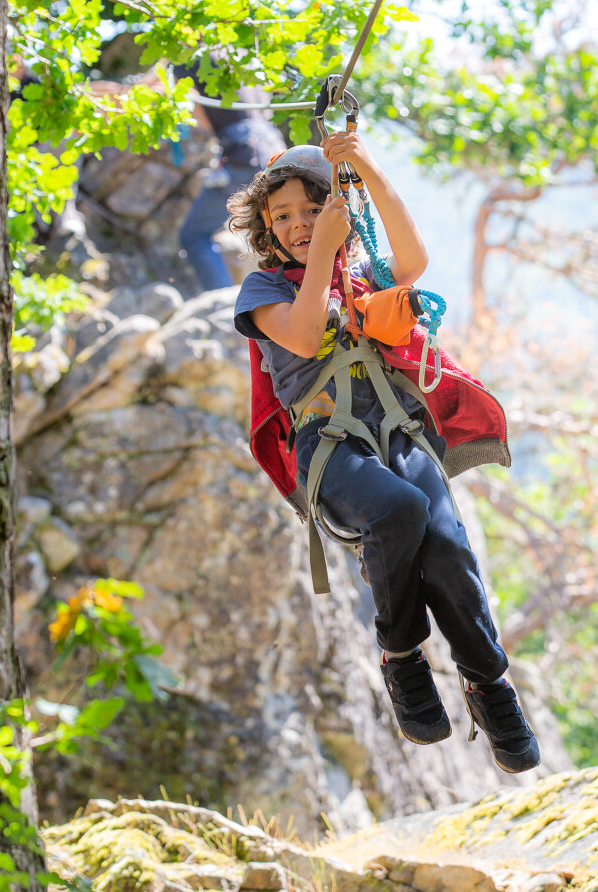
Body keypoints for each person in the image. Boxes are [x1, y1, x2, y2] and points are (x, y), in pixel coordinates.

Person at [228, 135, 540, 772]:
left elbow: (413, 258)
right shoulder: (262, 292)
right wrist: (321, 256)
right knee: (397, 511)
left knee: (449, 546)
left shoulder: (363, 271)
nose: (296, 225)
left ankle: (490, 685)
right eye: (281, 216)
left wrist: (363, 165)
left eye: (310, 211)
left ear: (337, 209)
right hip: (330, 448)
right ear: (266, 229)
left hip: (401, 432)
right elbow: (308, 332)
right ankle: (401, 657)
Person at [172, 61, 284, 291]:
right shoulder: (246, 58)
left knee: (194, 235)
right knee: (280, 231)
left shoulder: (187, 59)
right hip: (276, 151)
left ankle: (222, 301)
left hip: (242, 154)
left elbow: (195, 108)